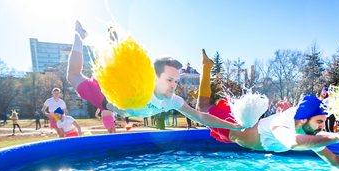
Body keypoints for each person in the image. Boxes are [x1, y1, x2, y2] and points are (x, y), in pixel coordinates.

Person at [197, 50, 339, 170]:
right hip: (231, 128)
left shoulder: (306, 129)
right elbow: (293, 142)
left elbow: (333, 159)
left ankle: (208, 69)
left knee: (206, 107)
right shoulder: (281, 126)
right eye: (319, 122)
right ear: (303, 119)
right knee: (202, 108)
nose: (321, 128)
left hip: (241, 131)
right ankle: (207, 66)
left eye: (322, 123)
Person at [66, 21, 243, 132]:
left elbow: (201, 117)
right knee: (73, 76)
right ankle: (79, 36)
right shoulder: (141, 83)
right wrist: (115, 43)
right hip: (106, 97)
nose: (174, 85)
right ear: (154, 78)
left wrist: (233, 125)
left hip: (123, 98)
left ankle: (94, 39)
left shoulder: (173, 100)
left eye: (176, 81)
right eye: (169, 80)